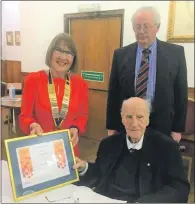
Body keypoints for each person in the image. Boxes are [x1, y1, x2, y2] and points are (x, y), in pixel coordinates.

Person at [73, 97, 190, 203]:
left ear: (148, 120)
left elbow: (179, 187)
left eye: (139, 117)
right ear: (122, 119)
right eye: (129, 117)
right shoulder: (108, 144)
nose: (134, 124)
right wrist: (85, 167)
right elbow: (99, 173)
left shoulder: (166, 147)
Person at [106, 6, 188, 143]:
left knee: (159, 162)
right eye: (137, 27)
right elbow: (114, 94)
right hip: (128, 125)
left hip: (162, 126)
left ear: (157, 27)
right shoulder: (121, 55)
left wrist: (177, 129)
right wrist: (112, 126)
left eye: (146, 26)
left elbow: (181, 94)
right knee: (129, 161)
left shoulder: (175, 54)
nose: (141, 31)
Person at [19, 33, 88, 156]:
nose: (63, 56)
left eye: (69, 53)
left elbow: (82, 116)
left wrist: (76, 128)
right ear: (50, 52)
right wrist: (32, 125)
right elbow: (25, 116)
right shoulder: (33, 80)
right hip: (39, 147)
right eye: (59, 50)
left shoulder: (80, 84)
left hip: (67, 148)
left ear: (74, 58)